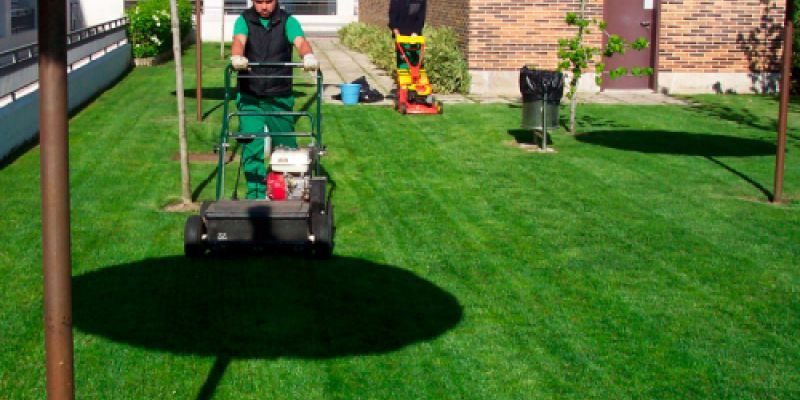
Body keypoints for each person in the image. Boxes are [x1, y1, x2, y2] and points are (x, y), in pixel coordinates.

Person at [229, 0, 318, 200]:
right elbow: (239, 41)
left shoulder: (288, 21)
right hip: (250, 96)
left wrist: (308, 55)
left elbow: (300, 41)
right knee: (252, 148)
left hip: (279, 96)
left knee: (287, 149)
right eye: (259, 2)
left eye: (268, 1)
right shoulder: (244, 20)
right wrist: (236, 57)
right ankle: (256, 196)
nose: (264, 7)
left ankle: (289, 194)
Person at [388, 0, 426, 69]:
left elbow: (421, 18)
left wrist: (415, 32)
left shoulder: (421, 1)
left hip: (415, 37)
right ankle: (402, 76)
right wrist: (396, 31)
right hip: (401, 36)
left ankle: (415, 76)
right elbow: (392, 16)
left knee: (416, 63)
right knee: (403, 64)